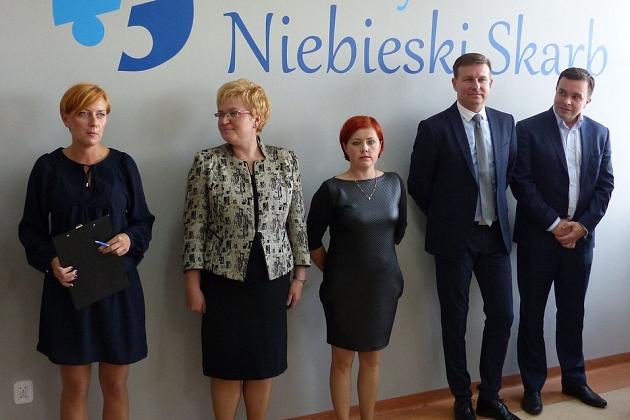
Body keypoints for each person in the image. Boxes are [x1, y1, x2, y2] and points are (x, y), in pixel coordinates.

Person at [18, 83, 155, 420]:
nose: (94, 123)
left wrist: (129, 239)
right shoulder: (47, 168)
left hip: (117, 289)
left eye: (101, 114)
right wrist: (51, 261)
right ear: (65, 118)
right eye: (83, 114)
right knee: (75, 387)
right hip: (69, 290)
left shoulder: (123, 165)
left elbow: (143, 221)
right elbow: (31, 230)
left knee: (116, 385)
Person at [182, 78, 310, 420]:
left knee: (262, 363)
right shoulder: (206, 163)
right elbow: (194, 226)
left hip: (272, 277)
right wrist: (192, 283)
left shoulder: (285, 161)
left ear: (257, 117)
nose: (224, 120)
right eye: (220, 114)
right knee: (225, 366)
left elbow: (297, 221)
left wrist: (299, 277)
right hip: (222, 279)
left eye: (233, 113)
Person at [407, 53, 519, 420]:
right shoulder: (434, 128)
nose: (476, 85)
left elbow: (508, 174)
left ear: (491, 83)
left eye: (482, 79)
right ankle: (461, 397)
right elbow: (418, 185)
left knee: (503, 315)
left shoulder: (505, 123)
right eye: (468, 79)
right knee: (454, 320)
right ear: (454, 83)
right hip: (455, 239)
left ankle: (490, 395)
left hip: (495, 236)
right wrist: (450, 218)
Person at [511, 67, 613, 415]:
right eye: (562, 92)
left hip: (580, 242)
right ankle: (533, 385)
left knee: (572, 313)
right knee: (532, 315)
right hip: (538, 239)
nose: (567, 101)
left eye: (575, 96)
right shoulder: (527, 129)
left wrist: (582, 226)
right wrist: (555, 225)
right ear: (555, 90)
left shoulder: (600, 133)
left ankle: (574, 379)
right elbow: (521, 182)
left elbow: (605, 185)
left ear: (588, 100)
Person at [307, 115, 407, 420]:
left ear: (380, 146)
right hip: (343, 290)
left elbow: (397, 233)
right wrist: (336, 271)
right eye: (356, 142)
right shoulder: (332, 189)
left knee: (372, 359)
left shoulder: (393, 183)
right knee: (342, 360)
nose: (364, 148)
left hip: (383, 288)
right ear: (345, 148)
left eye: (371, 142)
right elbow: (311, 240)